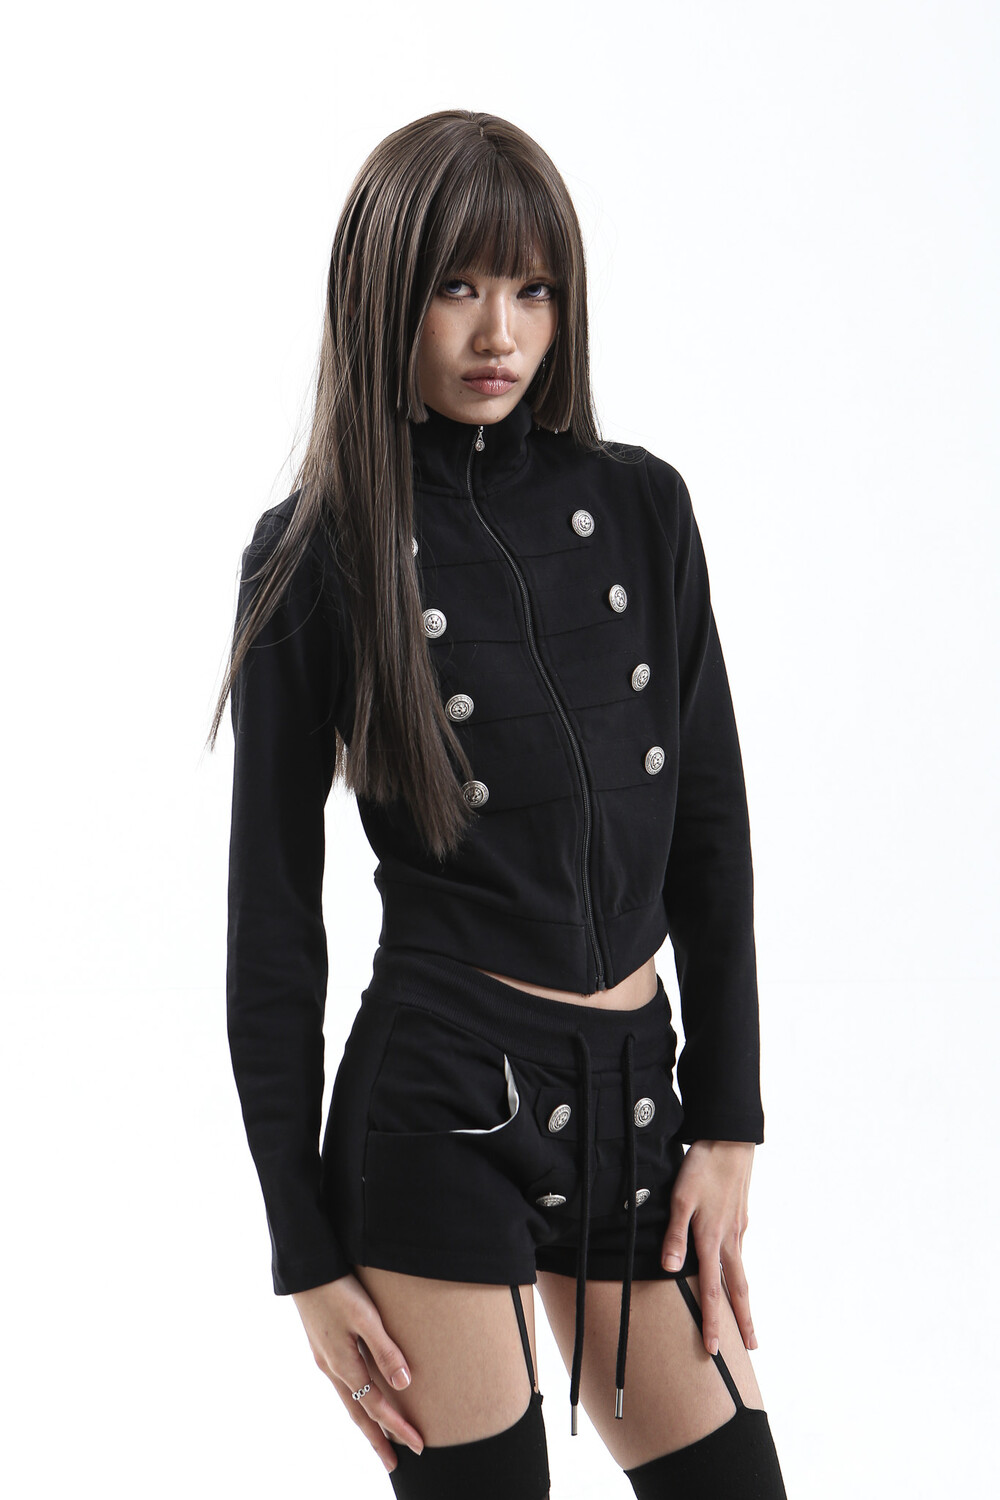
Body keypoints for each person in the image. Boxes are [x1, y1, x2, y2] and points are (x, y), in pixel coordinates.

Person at [210, 109, 788, 1499]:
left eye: (532, 290)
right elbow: (274, 929)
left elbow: (711, 830)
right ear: (382, 297)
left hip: (637, 1100)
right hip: (440, 1106)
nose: (497, 333)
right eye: (457, 287)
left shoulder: (643, 507)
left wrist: (729, 1122)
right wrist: (304, 1254)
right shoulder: (316, 553)